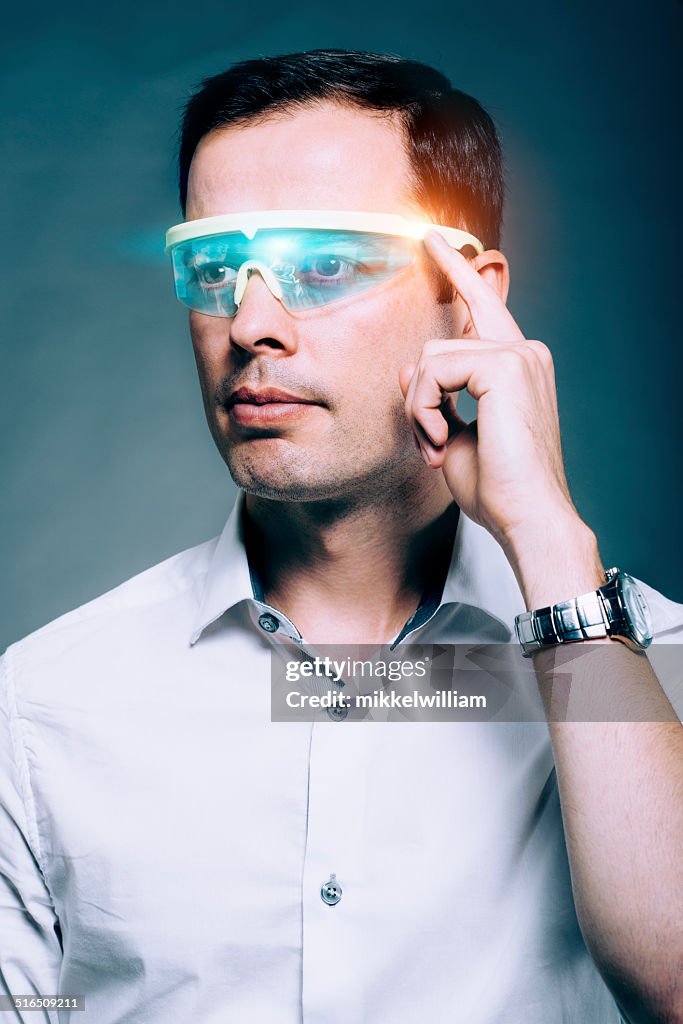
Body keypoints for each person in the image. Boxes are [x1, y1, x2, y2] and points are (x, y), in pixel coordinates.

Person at [1, 49, 681, 1024]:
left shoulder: (653, 671)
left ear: (469, 297)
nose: (251, 323)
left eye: (322, 263)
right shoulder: (42, 708)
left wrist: (546, 544)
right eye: (215, 267)